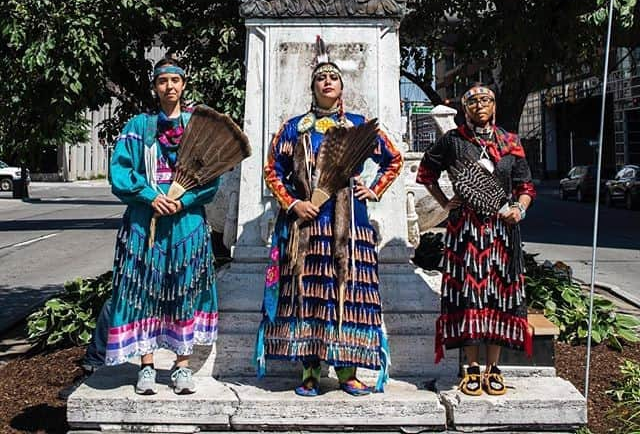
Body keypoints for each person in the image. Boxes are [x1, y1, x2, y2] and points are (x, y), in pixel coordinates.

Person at [254, 56, 403, 396]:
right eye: (320, 77)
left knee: (349, 294)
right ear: (313, 87)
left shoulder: (358, 126)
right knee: (308, 298)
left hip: (350, 226)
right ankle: (310, 371)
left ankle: (348, 371)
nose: (327, 82)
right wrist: (293, 203)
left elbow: (393, 159)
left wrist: (374, 188)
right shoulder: (294, 127)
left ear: (341, 87)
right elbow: (272, 169)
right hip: (306, 227)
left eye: (333, 77)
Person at [105, 58, 220, 395]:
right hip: (146, 221)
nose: (169, 86)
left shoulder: (196, 127)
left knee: (185, 288)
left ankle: (182, 367)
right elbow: (121, 173)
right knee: (143, 290)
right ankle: (146, 366)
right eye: (162, 81)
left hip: (186, 224)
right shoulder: (138, 126)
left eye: (175, 80)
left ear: (184, 86)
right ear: (154, 87)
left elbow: (211, 179)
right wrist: (150, 196)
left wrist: (182, 201)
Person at [416, 84, 536, 396]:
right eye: (472, 101)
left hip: (501, 231)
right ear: (464, 107)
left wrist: (519, 209)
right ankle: (470, 368)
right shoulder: (454, 141)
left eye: (486, 100)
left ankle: (492, 368)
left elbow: (526, 186)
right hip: (466, 230)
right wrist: (444, 202)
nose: (479, 105)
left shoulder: (510, 142)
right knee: (469, 294)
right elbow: (426, 173)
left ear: (494, 106)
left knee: (498, 294)